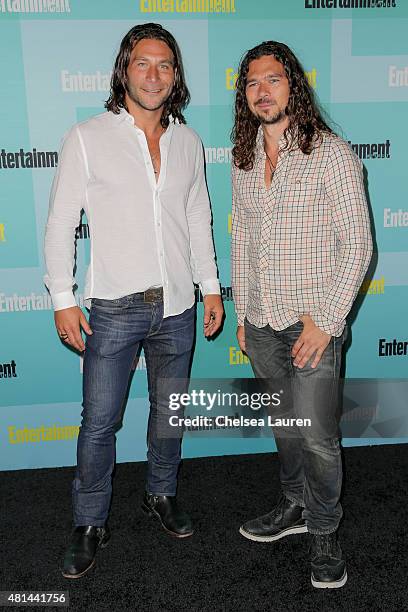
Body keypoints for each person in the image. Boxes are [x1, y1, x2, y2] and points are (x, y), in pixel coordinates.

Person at [44, 22, 223, 579]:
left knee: (169, 415)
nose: (154, 75)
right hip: (115, 306)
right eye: (143, 63)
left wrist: (212, 285)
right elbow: (60, 222)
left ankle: (160, 493)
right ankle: (89, 521)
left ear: (177, 76)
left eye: (165, 65)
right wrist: (62, 297)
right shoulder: (87, 137)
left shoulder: (188, 141)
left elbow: (197, 216)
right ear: (124, 69)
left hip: (178, 306)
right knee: (100, 422)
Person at [230, 41, 372, 589]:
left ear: (294, 86)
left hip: (312, 321)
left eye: (273, 79)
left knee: (317, 436)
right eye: (252, 83)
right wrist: (245, 312)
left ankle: (325, 531)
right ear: (244, 95)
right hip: (263, 321)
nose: (262, 91)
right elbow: (243, 242)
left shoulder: (331, 154)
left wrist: (327, 321)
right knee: (285, 427)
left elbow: (357, 245)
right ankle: (293, 507)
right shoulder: (243, 158)